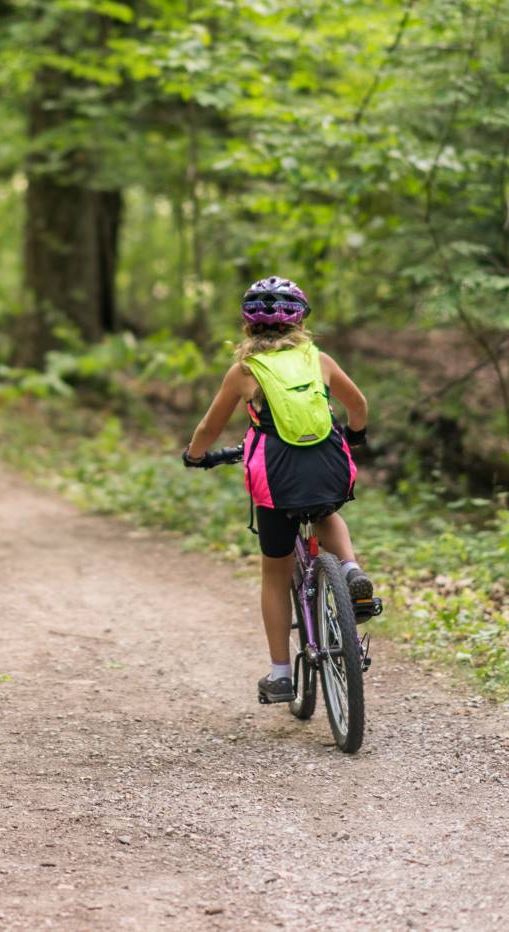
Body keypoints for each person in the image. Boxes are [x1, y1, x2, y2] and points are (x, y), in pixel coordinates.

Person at [181, 276, 376, 704]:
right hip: (326, 465)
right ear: (300, 321)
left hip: (276, 475)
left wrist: (196, 455)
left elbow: (208, 428)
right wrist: (355, 435)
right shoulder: (318, 360)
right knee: (327, 513)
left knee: (275, 572)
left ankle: (281, 674)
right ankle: (350, 571)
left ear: (248, 326)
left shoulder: (243, 372)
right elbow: (357, 404)